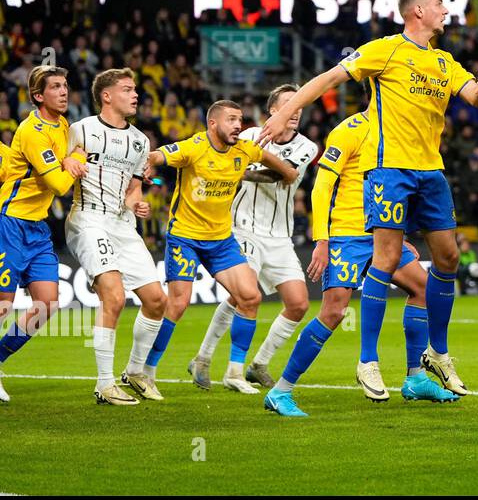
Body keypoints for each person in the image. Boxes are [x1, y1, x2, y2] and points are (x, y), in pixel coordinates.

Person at [258, 0, 478, 396]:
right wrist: (285, 110)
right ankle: (368, 361)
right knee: (383, 261)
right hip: (389, 171)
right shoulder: (384, 49)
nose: (446, 10)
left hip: (431, 171)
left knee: (446, 258)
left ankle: (436, 356)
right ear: (417, 12)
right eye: (439, 4)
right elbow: (328, 78)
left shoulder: (446, 63)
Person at [263, 110, 456, 417]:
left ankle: (415, 377)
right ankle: (280, 390)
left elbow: (400, 188)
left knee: (422, 288)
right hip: (347, 235)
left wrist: (397, 234)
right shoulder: (349, 129)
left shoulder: (400, 127)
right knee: (334, 311)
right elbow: (322, 186)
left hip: (382, 233)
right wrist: (322, 240)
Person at [141, 102, 297, 391]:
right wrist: (149, 161)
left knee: (250, 297)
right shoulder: (195, 146)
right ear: (213, 123)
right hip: (185, 236)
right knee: (178, 303)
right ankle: (146, 371)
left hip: (221, 239)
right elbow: (161, 154)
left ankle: (235, 373)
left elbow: (263, 155)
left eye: (240, 119)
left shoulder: (243, 150)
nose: (238, 125)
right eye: (231, 120)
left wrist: (287, 173)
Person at [189, 85, 319, 391]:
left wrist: (234, 171)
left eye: (299, 104)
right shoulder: (246, 136)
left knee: (299, 304)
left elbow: (281, 174)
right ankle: (207, 360)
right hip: (243, 228)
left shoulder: (307, 147)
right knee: (242, 297)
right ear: (273, 111)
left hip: (280, 235)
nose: (296, 110)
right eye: (289, 104)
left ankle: (258, 364)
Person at [65, 69, 166, 405]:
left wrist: (137, 203)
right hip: (88, 218)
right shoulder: (80, 130)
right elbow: (59, 162)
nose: (135, 95)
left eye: (135, 89)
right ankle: (104, 383)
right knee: (115, 296)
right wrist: (67, 161)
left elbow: (134, 187)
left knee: (156, 300)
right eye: (127, 89)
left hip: (122, 224)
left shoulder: (141, 141)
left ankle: (135, 371)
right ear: (106, 96)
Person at [0, 66, 86, 403]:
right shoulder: (34, 131)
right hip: (10, 222)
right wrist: (76, 158)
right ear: (39, 95)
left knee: (47, 304)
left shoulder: (63, 125)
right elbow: (61, 185)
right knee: (3, 306)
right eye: (55, 87)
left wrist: (71, 159)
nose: (64, 92)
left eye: (65, 86)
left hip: (37, 227)